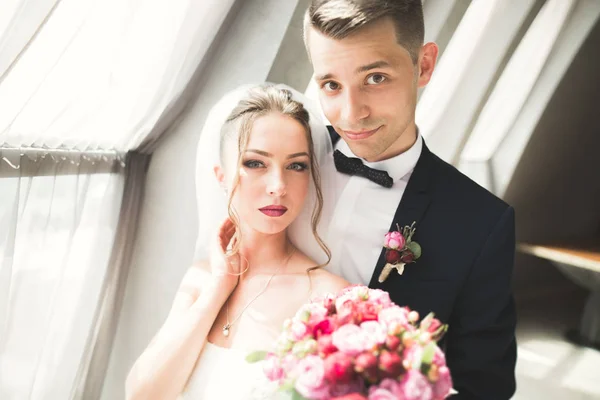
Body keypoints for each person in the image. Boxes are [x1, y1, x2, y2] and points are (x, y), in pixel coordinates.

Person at [300, 0, 518, 398]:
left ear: (424, 65)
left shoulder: (481, 224)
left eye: (376, 77)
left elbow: (485, 388)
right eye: (331, 85)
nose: (352, 114)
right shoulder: (279, 164)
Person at [125, 84, 348, 400]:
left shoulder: (330, 298)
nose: (278, 186)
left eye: (296, 165)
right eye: (255, 163)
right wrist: (219, 287)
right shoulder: (201, 279)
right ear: (221, 175)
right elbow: (143, 394)